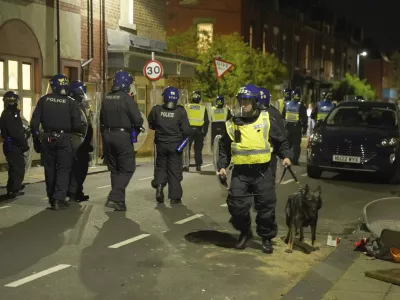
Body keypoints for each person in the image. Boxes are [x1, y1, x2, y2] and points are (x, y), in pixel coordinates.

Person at [217, 84, 292, 254]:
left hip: (262, 171)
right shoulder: (232, 124)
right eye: (241, 101)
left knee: (265, 207)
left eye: (247, 101)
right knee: (236, 205)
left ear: (255, 102)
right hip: (240, 173)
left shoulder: (266, 120)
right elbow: (224, 147)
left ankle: (266, 238)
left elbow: (281, 141)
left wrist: (285, 156)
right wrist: (222, 166)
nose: (243, 104)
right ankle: (245, 232)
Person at [30, 74, 82, 210]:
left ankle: (51, 198)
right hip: (64, 138)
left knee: (49, 169)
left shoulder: (44, 100)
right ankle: (59, 199)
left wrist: (37, 138)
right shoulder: (71, 102)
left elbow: (34, 123)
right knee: (63, 170)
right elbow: (78, 125)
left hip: (47, 137)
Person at [100, 70, 143, 211]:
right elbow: (138, 119)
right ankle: (114, 196)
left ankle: (119, 202)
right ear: (125, 84)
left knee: (115, 170)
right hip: (122, 137)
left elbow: (101, 119)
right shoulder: (126, 99)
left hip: (108, 135)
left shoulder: (106, 98)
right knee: (128, 168)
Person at [148, 86, 192, 204]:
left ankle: (159, 187)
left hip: (161, 145)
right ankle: (175, 197)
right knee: (174, 170)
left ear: (164, 98)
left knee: (161, 167)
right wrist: (181, 145)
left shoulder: (156, 110)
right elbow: (187, 131)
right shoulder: (180, 111)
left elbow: (151, 124)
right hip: (176, 146)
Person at [67, 80, 94, 202]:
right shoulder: (72, 106)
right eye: (81, 93)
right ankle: (74, 191)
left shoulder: (80, 106)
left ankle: (78, 190)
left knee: (81, 168)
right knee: (78, 168)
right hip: (78, 142)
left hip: (83, 142)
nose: (84, 96)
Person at [0, 91, 29, 198]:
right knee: (18, 168)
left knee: (14, 168)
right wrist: (24, 143)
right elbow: (16, 132)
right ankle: (13, 189)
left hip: (11, 145)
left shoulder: (7, 113)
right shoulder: (11, 114)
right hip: (14, 145)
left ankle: (13, 186)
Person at [258, 87, 288, 184]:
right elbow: (281, 135)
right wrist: (285, 155)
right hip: (270, 155)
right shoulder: (274, 113)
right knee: (268, 184)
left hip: (254, 156)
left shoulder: (251, 113)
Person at [185, 91, 209, 171]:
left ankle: (186, 165)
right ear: (199, 99)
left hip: (189, 130)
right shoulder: (203, 108)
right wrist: (204, 133)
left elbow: (183, 119)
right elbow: (206, 121)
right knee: (198, 149)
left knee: (186, 148)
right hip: (199, 131)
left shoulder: (187, 107)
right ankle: (198, 165)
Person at [282, 88, 307, 165]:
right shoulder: (301, 106)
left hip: (287, 128)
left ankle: (286, 159)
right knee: (296, 145)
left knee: (287, 144)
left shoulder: (286, 104)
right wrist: (304, 128)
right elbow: (304, 119)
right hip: (297, 128)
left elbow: (282, 116)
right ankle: (295, 160)